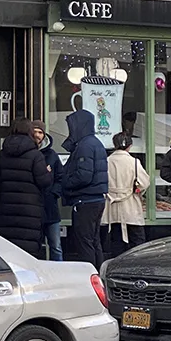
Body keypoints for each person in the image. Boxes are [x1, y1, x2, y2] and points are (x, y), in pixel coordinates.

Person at [0, 119, 53, 257]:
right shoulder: (35, 155)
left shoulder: (3, 154)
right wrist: (48, 173)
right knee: (28, 250)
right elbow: (43, 181)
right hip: (29, 208)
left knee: (8, 249)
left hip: (6, 208)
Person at [62, 109, 108, 269]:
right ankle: (98, 275)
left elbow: (83, 176)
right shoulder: (94, 142)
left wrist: (65, 181)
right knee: (94, 241)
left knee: (84, 242)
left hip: (85, 200)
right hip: (96, 199)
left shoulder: (84, 146)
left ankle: (88, 277)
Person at [106, 132, 149, 256]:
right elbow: (144, 182)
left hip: (112, 205)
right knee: (137, 241)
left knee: (116, 241)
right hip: (130, 206)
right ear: (130, 146)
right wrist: (136, 189)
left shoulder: (107, 161)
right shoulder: (134, 162)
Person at [31, 120, 66, 261]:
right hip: (33, 208)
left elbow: (60, 177)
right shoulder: (28, 154)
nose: (37, 135)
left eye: (40, 132)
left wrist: (54, 193)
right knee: (35, 247)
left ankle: (59, 275)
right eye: (34, 132)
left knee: (56, 246)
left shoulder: (52, 155)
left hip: (50, 208)